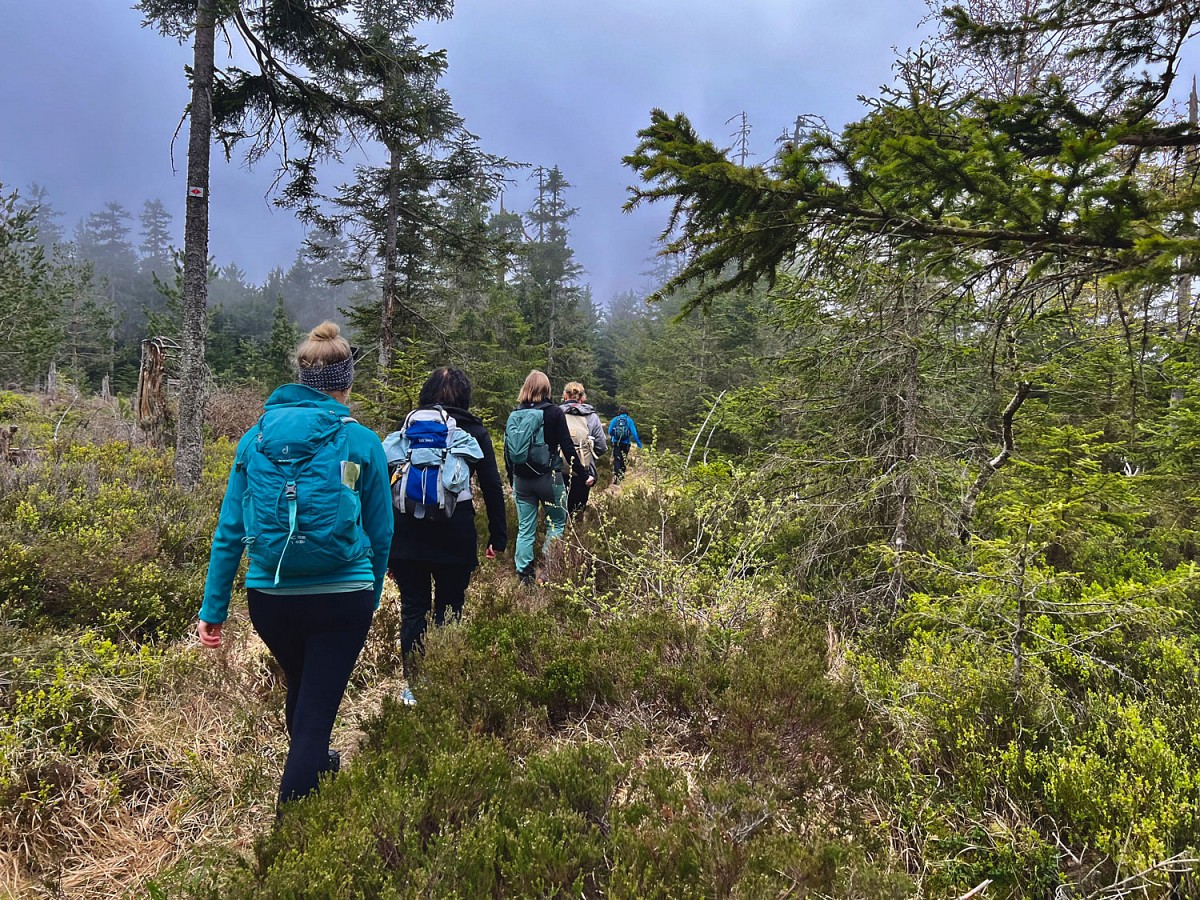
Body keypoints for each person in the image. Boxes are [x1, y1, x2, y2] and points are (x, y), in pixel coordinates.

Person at [197, 321, 393, 809]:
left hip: (271, 599)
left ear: (303, 380)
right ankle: (292, 830)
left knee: (305, 687)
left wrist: (213, 609)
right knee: (317, 710)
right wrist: (368, 599)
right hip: (341, 598)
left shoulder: (253, 440)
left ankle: (318, 764)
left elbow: (229, 533)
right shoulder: (362, 441)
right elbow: (383, 532)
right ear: (346, 383)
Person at [387, 367, 507, 705]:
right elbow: (492, 486)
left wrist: (384, 544)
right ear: (464, 395)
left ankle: (413, 686)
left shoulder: (407, 426)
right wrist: (498, 537)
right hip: (455, 533)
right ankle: (444, 676)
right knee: (450, 606)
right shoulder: (474, 431)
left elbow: (385, 481)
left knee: (413, 608)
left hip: (406, 533)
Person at [504, 370, 580, 584]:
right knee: (556, 522)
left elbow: (508, 452)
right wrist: (582, 473)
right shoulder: (554, 413)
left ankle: (524, 576)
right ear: (546, 389)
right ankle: (547, 570)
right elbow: (567, 446)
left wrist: (512, 479)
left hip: (522, 481)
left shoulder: (515, 414)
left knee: (525, 528)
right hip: (549, 478)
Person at [559, 381, 607, 516]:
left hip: (558, 470)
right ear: (583, 397)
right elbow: (602, 446)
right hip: (583, 472)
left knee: (558, 511)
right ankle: (576, 534)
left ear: (565, 396)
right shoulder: (592, 416)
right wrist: (588, 455)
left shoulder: (556, 413)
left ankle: (558, 535)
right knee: (578, 510)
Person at [608, 405, 643, 483]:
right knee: (623, 458)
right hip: (626, 443)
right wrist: (639, 444)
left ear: (619, 412)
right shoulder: (629, 420)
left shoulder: (615, 419)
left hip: (616, 442)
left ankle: (617, 477)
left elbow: (610, 431)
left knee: (617, 459)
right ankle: (622, 477)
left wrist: (615, 436)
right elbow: (634, 433)